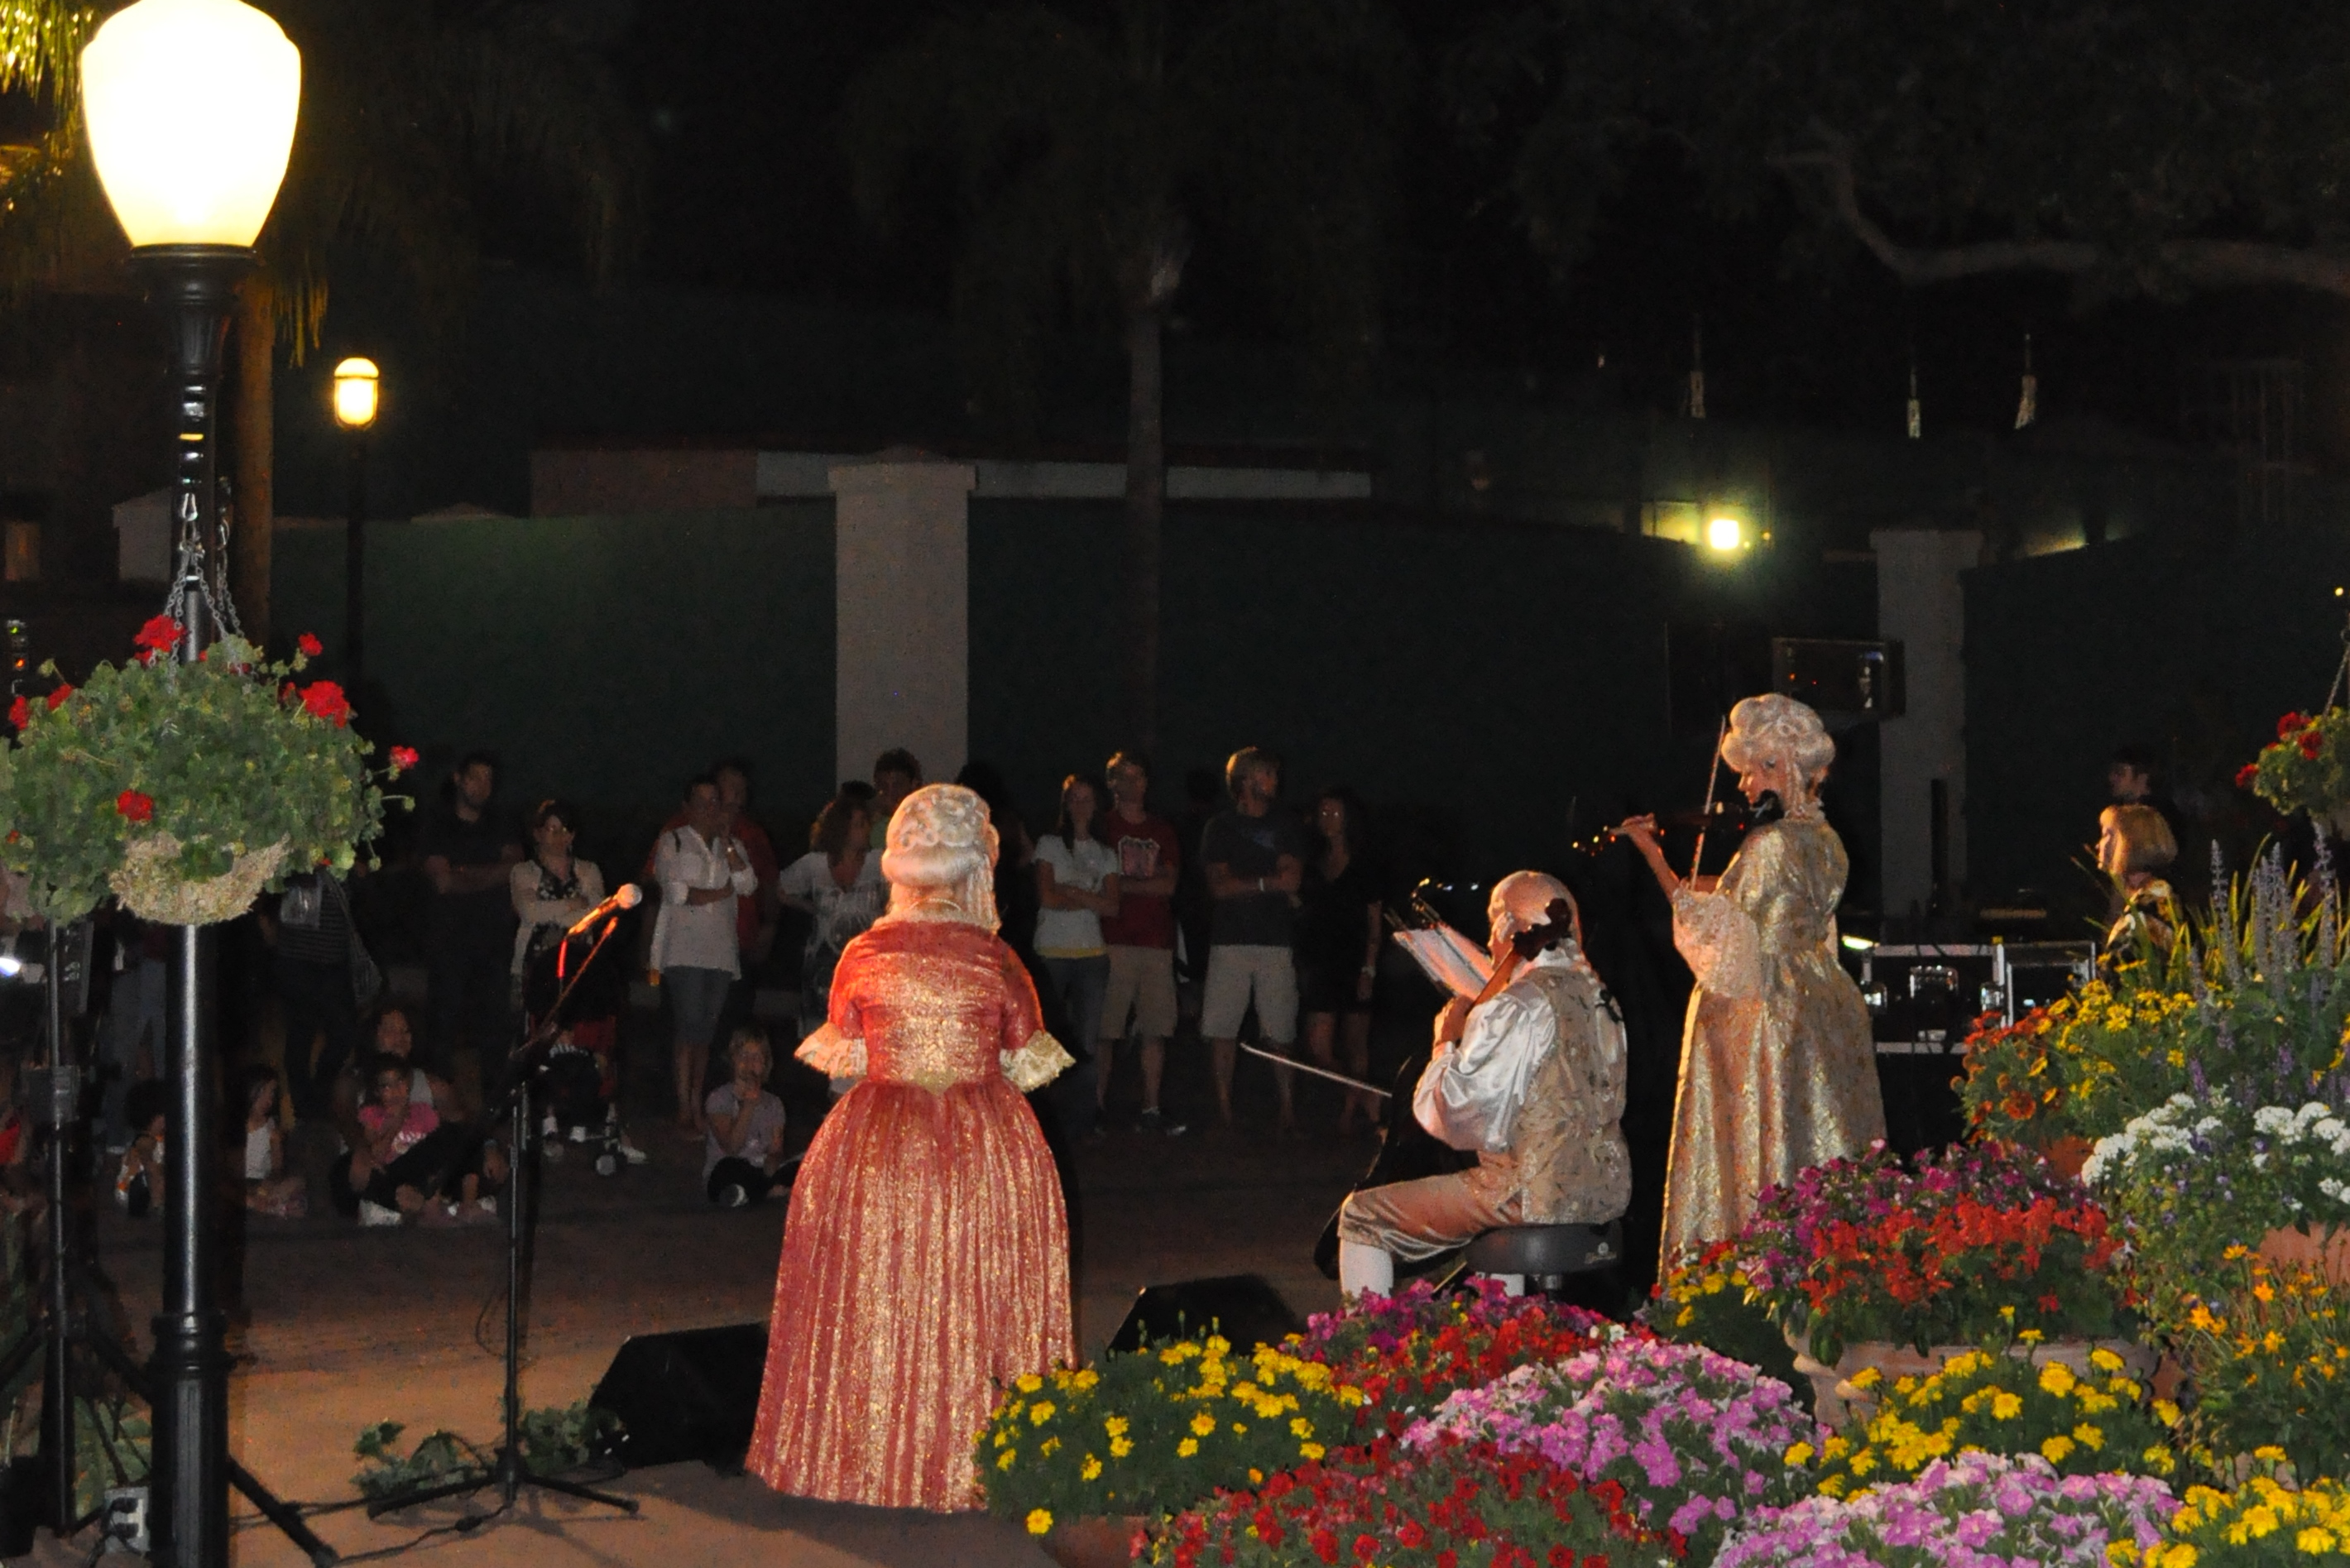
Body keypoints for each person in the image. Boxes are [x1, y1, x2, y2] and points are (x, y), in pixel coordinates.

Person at [750, 784, 1074, 1511]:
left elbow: (854, 1050)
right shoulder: (997, 958)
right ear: (975, 867)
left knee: (877, 1287)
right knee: (971, 1285)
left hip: (877, 1141)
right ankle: (981, 1451)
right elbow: (1023, 1059)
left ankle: (861, 1453)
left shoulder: (863, 952)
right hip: (982, 1142)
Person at [1619, 693, 1886, 1265]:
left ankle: (1757, 1266)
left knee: (1762, 1141)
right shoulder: (1826, 841)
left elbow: (1717, 929)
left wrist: (1653, 858)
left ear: (1778, 765)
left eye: (1750, 771)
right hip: (1822, 995)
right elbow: (1757, 902)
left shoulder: (1768, 843)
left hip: (1770, 1003)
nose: (1742, 785)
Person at [1335, 873, 1630, 1297]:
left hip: (1528, 1191)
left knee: (1363, 1216)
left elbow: (1460, 1112)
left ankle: (1367, 1336)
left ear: (1511, 928)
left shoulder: (1519, 1003)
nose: (1489, 940)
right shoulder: (1599, 997)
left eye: (1493, 924)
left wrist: (1445, 1042)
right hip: (1605, 1189)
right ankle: (1500, 1328)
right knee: (1487, 1214)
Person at [511, 800, 644, 1163]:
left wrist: (569, 910)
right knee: (542, 1041)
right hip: (538, 970)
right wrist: (574, 906)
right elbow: (529, 910)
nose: (558, 837)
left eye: (564, 830)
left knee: (592, 1038)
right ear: (538, 833)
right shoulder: (523, 872)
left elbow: (597, 912)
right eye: (550, 829)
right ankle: (545, 1122)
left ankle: (602, 1120)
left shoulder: (588, 870)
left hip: (581, 969)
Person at [1199, 747, 1311, 1129]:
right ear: (1245, 779)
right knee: (1222, 1030)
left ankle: (1288, 1111)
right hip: (1229, 940)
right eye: (1267, 773)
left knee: (1281, 1031)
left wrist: (1245, 883)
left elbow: (1292, 880)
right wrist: (1268, 882)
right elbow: (1219, 887)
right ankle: (1225, 1112)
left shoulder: (1287, 824)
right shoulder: (1220, 827)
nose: (1274, 780)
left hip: (1275, 940)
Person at [650, 775, 758, 1134]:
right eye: (703, 802)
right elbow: (677, 892)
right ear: (687, 807)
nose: (711, 809)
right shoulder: (673, 842)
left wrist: (727, 846)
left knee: (706, 1031)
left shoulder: (732, 846)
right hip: (684, 950)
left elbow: (748, 884)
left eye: (715, 801)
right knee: (688, 1025)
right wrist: (719, 893)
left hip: (721, 952)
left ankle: (697, 1100)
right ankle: (685, 1105)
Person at [419, 752, 523, 1074]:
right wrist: (491, 873)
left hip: (493, 941)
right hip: (448, 941)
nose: (482, 785)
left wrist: (465, 874)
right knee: (443, 1028)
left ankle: (493, 1101)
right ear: (458, 779)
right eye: (475, 777)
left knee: (494, 1030)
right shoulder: (438, 823)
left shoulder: (501, 822)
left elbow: (516, 868)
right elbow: (443, 881)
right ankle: (438, 1098)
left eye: (488, 779)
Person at [1097, 752, 1183, 1134]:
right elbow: (1100, 884)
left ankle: (1151, 1107)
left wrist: (1122, 885)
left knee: (1155, 1029)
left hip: (1155, 942)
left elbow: (1168, 885)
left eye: (1139, 777)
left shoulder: (1162, 830)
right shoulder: (1102, 827)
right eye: (1124, 777)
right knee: (1106, 1031)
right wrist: (1141, 884)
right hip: (1110, 940)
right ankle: (1097, 1108)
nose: (1133, 785)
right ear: (1112, 783)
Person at [1293, 786, 1384, 1135]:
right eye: (1323, 813)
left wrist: (1369, 969)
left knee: (1356, 1043)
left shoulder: (1364, 864)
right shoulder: (1314, 863)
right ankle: (1366, 1096)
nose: (1328, 819)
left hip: (1355, 961)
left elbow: (1374, 924)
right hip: (1320, 961)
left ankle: (1349, 1112)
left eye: (1334, 813)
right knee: (1318, 1046)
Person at [1034, 774, 1120, 1137]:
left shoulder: (1106, 853)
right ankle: (1042, 1117)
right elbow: (1047, 897)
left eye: (1086, 799)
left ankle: (1083, 1118)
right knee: (1046, 1037)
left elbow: (1112, 906)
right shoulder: (1050, 844)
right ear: (1065, 804)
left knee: (1087, 1041)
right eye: (1074, 798)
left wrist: (1070, 892)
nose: (1080, 805)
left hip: (1091, 955)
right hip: (1051, 952)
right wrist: (1089, 898)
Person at [776, 792, 887, 1043]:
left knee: (863, 1032)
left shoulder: (878, 863)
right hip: (824, 962)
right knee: (824, 1033)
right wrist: (810, 907)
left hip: (866, 962)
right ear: (842, 828)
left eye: (865, 823)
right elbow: (781, 888)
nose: (865, 830)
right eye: (859, 824)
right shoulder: (815, 865)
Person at [260, 869, 364, 1123]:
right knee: (300, 1034)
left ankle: (320, 1093)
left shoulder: (342, 857)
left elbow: (358, 892)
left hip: (333, 960)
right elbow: (270, 888)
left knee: (343, 1033)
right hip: (296, 958)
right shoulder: (294, 854)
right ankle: (305, 1108)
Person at [704, 1026, 790, 1206]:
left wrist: (773, 1162)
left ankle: (752, 1192)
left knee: (804, 1163)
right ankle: (760, 1191)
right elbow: (732, 1147)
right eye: (743, 1055)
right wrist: (748, 1106)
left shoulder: (774, 1104)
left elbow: (776, 1150)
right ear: (733, 1060)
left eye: (756, 1057)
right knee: (728, 1169)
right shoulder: (719, 1099)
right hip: (730, 1170)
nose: (749, 1063)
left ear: (765, 1064)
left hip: (759, 1169)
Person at [2097, 803, 2181, 966]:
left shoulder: (2151, 903)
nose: (2099, 844)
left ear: (2128, 842)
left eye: (2106, 835)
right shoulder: (2145, 898)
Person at [236, 1063, 307, 1219]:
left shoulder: (271, 1130)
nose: (268, 1099)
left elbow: (276, 1169)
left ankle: (269, 1204)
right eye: (263, 1092)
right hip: (241, 1185)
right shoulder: (234, 1126)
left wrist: (265, 1186)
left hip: (263, 1184)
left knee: (297, 1182)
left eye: (272, 1093)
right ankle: (269, 1206)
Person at [114, 1079, 169, 1220]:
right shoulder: (146, 1140)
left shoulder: (157, 1139)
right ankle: (159, 1205)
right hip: (134, 1190)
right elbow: (149, 1164)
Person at [870, 747, 923, 850]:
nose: (890, 792)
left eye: (897, 785)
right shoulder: (866, 823)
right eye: (883, 786)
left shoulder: (923, 822)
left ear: (913, 784)